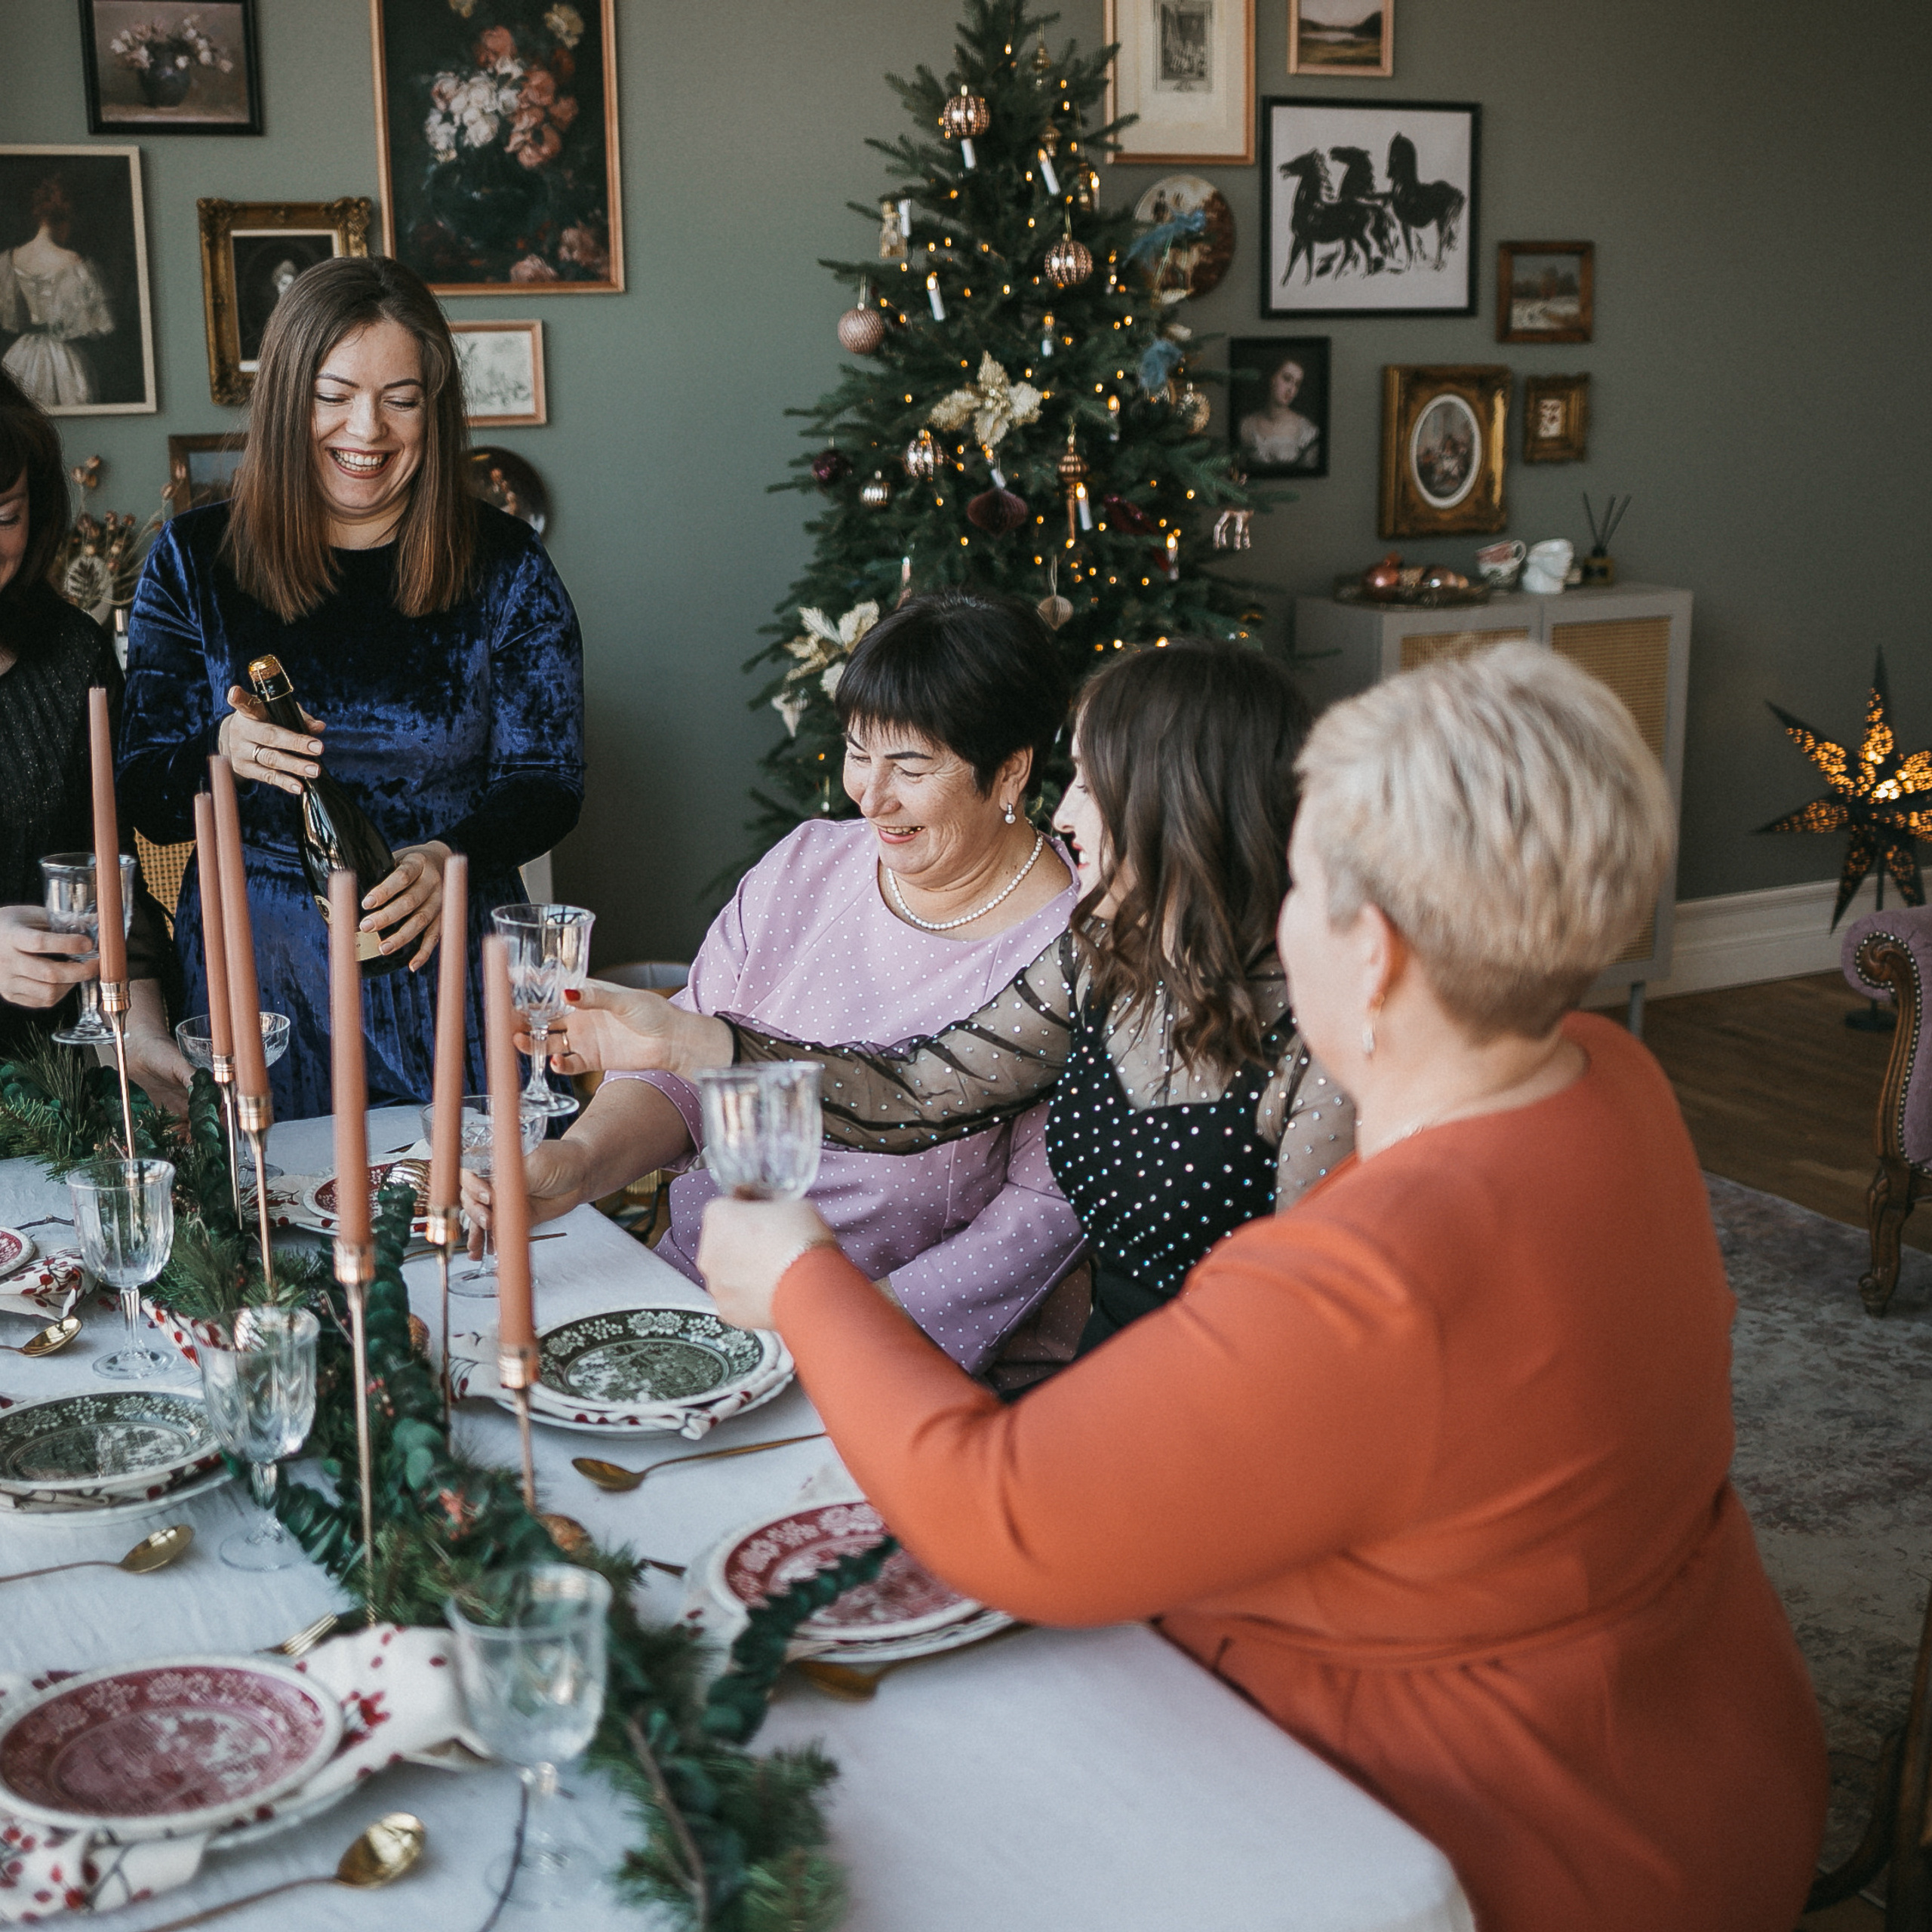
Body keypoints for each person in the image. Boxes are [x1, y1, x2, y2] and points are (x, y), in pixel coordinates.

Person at [694, 644, 1828, 1932]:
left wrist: (802, 1274)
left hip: (1513, 1842)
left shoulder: (1373, 1277)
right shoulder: (1610, 1079)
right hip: (1708, 1749)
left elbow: (997, 1517)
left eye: (1299, 894)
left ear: (1377, 955)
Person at [546, 640, 1352, 1358]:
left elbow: (1309, 1334)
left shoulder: (1322, 1035)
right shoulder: (1101, 956)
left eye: (1094, 785)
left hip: (1205, 1403)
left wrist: (835, 1329)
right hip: (1102, 1377)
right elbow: (916, 1088)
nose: (1065, 812)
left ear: (1187, 810)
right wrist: (694, 1041)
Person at [469, 592, 1086, 1374]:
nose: (871, 794)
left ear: (1010, 772)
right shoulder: (806, 865)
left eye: (912, 765)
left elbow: (1039, 1219)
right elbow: (684, 1064)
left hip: (888, 1352)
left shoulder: (1070, 951)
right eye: (860, 751)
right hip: (693, 1307)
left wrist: (834, 1328)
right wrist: (581, 1163)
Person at [118, 255, 584, 1118]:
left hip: (446, 959)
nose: (366, 430)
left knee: (476, 1231)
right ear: (289, 395)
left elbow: (549, 780)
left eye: (400, 399)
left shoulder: (507, 565)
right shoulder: (192, 560)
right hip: (259, 979)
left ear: (434, 410)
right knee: (274, 1238)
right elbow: (141, 787)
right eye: (334, 395)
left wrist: (452, 859)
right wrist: (218, 751)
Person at [0, 373, 188, 1104]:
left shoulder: (71, 655)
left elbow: (113, 878)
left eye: (3, 515)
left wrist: (138, 1036)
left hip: (55, 1089)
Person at [0, 177, 115, 411]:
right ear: (65, 222)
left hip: (21, 355)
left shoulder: (11, 258)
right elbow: (94, 325)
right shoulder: (72, 261)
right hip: (62, 356)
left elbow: (12, 314)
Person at [1238, 355, 1319, 470]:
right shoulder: (1246, 426)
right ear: (1272, 379)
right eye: (1287, 379)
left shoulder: (1307, 431)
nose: (1291, 389)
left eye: (1297, 384)